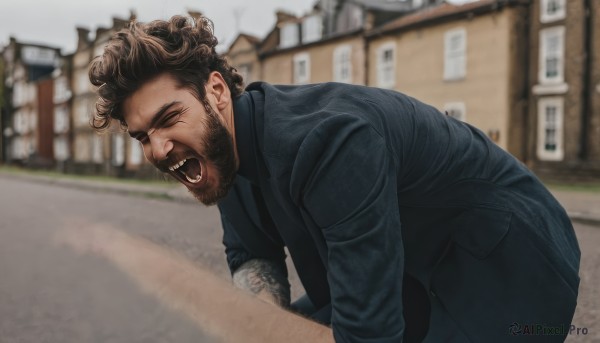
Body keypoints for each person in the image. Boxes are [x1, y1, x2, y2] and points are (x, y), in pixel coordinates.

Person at [89, 15, 580, 343]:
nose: (157, 148)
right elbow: (251, 253)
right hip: (408, 270)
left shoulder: (330, 142)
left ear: (216, 91)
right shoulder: (221, 155)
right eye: (142, 136)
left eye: (167, 118)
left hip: (513, 272)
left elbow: (369, 333)